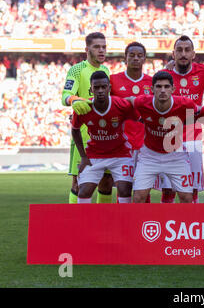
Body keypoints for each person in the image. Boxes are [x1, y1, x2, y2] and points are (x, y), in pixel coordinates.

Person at [158, 35, 204, 203]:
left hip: (193, 137)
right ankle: (166, 223)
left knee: (192, 187)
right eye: (179, 50)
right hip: (168, 138)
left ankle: (193, 223)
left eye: (187, 50)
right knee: (168, 189)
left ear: (193, 54)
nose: (183, 53)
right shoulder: (164, 74)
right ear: (173, 54)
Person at [127, 71, 196, 203]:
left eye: (166, 87)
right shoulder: (143, 101)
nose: (163, 90)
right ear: (152, 89)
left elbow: (196, 115)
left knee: (187, 198)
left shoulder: (185, 104)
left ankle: (185, 223)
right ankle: (138, 223)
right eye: (159, 87)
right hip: (149, 156)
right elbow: (128, 101)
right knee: (138, 197)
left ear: (173, 89)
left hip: (176, 156)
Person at [70, 71, 136, 204]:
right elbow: (75, 130)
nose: (100, 90)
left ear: (109, 88)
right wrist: (83, 157)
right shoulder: (84, 108)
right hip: (94, 156)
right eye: (96, 87)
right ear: (91, 89)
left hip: (120, 155)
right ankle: (84, 224)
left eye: (103, 87)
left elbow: (140, 120)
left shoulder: (120, 105)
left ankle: (124, 223)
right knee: (84, 191)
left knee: (124, 190)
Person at [63, 32, 114, 204]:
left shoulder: (106, 71)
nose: (102, 51)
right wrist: (75, 100)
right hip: (83, 136)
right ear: (87, 49)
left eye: (104, 47)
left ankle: (103, 223)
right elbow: (65, 96)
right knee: (79, 182)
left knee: (106, 182)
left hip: (105, 136)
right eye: (97, 47)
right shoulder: (77, 69)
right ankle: (74, 223)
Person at [110, 42, 153, 203]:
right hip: (122, 145)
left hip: (146, 144)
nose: (136, 58)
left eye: (139, 55)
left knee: (144, 190)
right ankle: (124, 223)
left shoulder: (152, 82)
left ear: (144, 59)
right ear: (125, 58)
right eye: (132, 55)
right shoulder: (113, 80)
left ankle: (143, 223)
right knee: (124, 188)